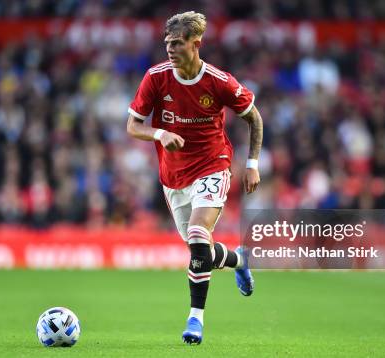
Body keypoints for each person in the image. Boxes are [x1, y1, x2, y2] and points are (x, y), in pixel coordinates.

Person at [126, 11, 263, 345]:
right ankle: (237, 259)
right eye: (167, 44)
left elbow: (254, 119)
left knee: (200, 233)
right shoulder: (156, 77)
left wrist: (253, 163)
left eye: (177, 43)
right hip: (173, 176)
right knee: (200, 252)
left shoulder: (219, 81)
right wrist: (160, 134)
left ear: (195, 43)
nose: (170, 50)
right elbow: (132, 125)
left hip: (213, 164)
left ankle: (195, 320)